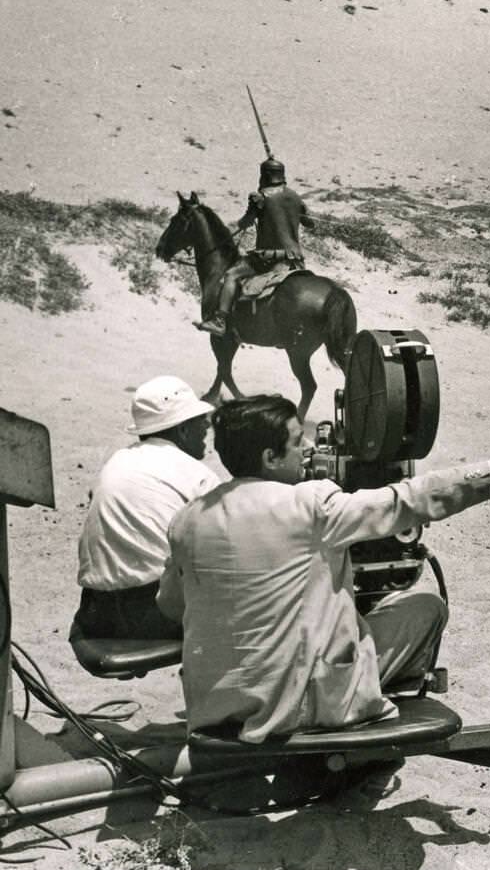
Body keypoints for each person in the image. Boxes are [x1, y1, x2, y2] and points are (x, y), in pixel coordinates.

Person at [158, 394, 490, 745]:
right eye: (299, 442)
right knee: (425, 607)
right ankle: (366, 732)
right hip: (301, 708)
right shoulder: (311, 505)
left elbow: (172, 608)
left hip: (216, 706)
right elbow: (409, 499)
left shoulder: (187, 519)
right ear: (270, 457)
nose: (309, 448)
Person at [74, 376, 218, 640]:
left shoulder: (118, 459)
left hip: (96, 613)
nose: (207, 425)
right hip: (152, 617)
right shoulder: (197, 475)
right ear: (183, 431)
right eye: (200, 421)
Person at [194, 157, 314, 336]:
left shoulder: (261, 196)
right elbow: (310, 223)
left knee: (231, 275)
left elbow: (245, 223)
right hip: (295, 259)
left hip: (268, 257)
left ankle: (220, 320)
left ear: (264, 175)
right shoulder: (295, 197)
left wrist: (247, 217)